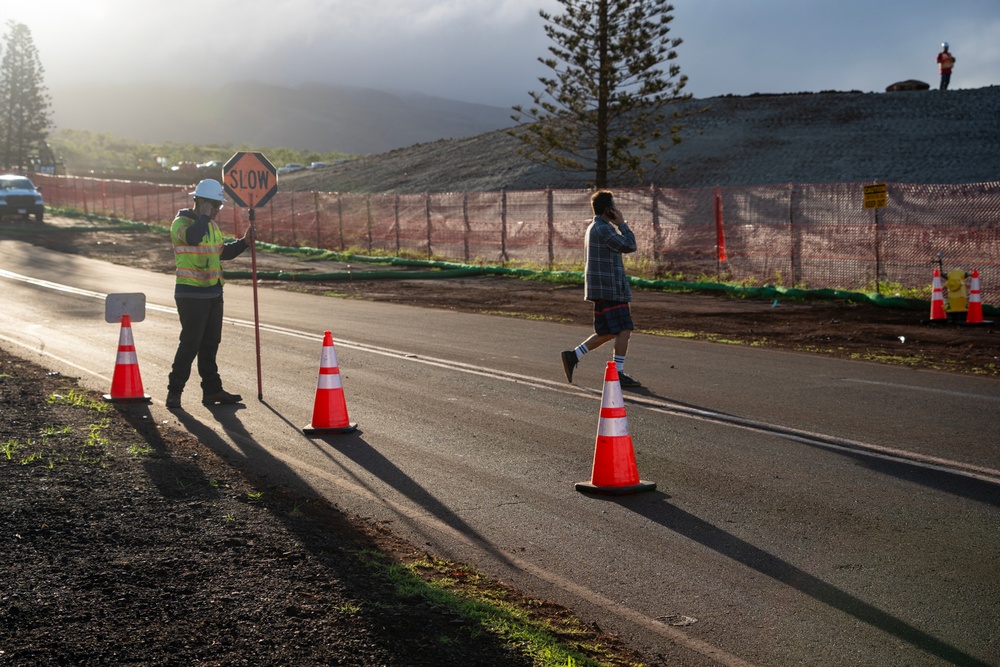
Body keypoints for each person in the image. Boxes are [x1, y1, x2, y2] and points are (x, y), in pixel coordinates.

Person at [165, 178, 254, 409]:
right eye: (214, 205)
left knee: (210, 343)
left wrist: (244, 243)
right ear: (200, 201)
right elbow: (193, 237)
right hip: (191, 294)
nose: (217, 210)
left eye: (219, 206)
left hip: (214, 292)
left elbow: (221, 253)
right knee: (190, 343)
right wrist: (203, 216)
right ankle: (174, 391)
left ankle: (212, 390)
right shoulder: (180, 223)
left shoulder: (212, 226)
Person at [560, 190, 641, 388]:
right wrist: (622, 224)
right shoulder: (604, 229)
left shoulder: (594, 227)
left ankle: (573, 355)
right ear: (609, 210)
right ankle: (618, 373)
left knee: (607, 331)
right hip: (610, 289)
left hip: (603, 288)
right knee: (624, 329)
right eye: (615, 207)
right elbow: (630, 245)